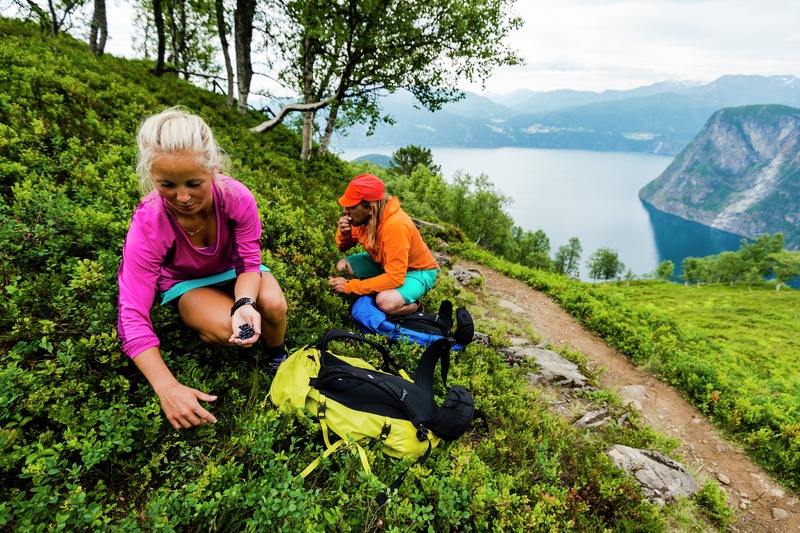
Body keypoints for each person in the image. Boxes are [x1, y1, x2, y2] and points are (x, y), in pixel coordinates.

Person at [118, 107, 288, 430]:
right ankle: (208, 327)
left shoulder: (237, 198)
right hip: (187, 284)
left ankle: (275, 355)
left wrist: (244, 302)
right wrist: (167, 387)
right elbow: (131, 314)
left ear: (214, 168)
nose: (182, 197)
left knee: (274, 306)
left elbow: (249, 261)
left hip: (236, 272)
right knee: (228, 329)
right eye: (166, 184)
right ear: (151, 177)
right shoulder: (148, 224)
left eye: (194, 183)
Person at [328, 174, 438, 315]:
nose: (345, 210)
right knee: (342, 266)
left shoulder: (396, 226)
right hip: (385, 263)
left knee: (385, 302)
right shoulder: (362, 218)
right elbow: (343, 247)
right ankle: (383, 287)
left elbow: (395, 277)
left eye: (351, 206)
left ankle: (416, 307)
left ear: (370, 209)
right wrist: (344, 234)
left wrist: (351, 286)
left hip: (417, 271)